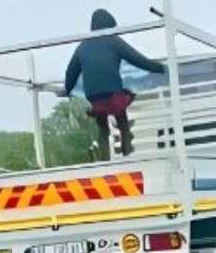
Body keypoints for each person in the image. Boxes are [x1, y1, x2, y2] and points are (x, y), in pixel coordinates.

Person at [63, 9, 167, 160]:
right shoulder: (113, 41)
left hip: (94, 97)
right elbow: (137, 59)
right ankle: (127, 156)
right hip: (113, 95)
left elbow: (70, 72)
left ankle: (105, 161)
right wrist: (160, 68)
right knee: (123, 124)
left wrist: (67, 90)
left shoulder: (82, 46)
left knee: (103, 129)